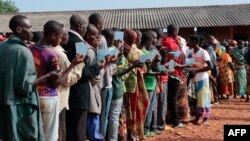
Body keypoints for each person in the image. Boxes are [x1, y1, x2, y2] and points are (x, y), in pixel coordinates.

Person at [0, 15, 59, 141]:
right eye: (29, 28)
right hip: (21, 109)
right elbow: (24, 87)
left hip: (4, 106)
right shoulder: (24, 52)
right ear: (19, 30)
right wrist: (48, 75)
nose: (31, 31)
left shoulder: (2, 47)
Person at [29, 20, 84, 141]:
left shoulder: (30, 49)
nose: (61, 41)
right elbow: (56, 82)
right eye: (60, 38)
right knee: (50, 136)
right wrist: (72, 65)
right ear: (53, 35)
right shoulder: (52, 55)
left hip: (33, 96)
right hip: (49, 98)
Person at [62, 14, 98, 141]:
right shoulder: (81, 44)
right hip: (79, 93)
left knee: (67, 130)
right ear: (80, 26)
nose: (86, 30)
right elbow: (82, 72)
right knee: (78, 131)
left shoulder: (62, 40)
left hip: (65, 92)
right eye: (86, 27)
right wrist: (97, 67)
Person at [50, 27, 85, 141]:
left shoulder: (49, 49)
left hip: (53, 97)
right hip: (59, 98)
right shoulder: (61, 54)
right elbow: (67, 79)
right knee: (59, 133)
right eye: (65, 35)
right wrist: (80, 65)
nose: (68, 37)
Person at [89, 13, 114, 138]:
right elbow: (103, 59)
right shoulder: (101, 39)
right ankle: (101, 136)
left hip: (87, 82)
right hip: (102, 82)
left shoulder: (83, 42)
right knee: (102, 113)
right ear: (99, 24)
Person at [123, 29, 149, 140]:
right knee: (129, 109)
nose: (135, 39)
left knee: (141, 105)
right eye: (134, 37)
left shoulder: (132, 49)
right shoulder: (123, 49)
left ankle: (135, 132)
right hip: (127, 84)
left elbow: (144, 67)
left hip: (137, 83)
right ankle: (130, 133)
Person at [161, 24, 187, 128]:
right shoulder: (172, 44)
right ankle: (175, 121)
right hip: (174, 73)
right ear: (175, 31)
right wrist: (174, 68)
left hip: (168, 73)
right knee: (172, 98)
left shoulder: (165, 41)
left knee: (169, 98)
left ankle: (169, 118)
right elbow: (173, 60)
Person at [83, 24, 105, 141]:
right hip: (91, 90)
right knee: (93, 119)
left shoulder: (82, 46)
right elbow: (95, 78)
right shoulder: (90, 51)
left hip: (84, 91)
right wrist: (101, 68)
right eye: (96, 37)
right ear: (88, 36)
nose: (98, 40)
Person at [188, 35, 212, 125]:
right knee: (197, 98)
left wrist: (196, 71)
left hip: (202, 78)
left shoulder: (203, 52)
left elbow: (210, 66)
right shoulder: (190, 52)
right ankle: (198, 117)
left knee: (203, 98)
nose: (188, 43)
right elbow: (189, 64)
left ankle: (204, 118)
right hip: (194, 78)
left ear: (195, 42)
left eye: (189, 41)